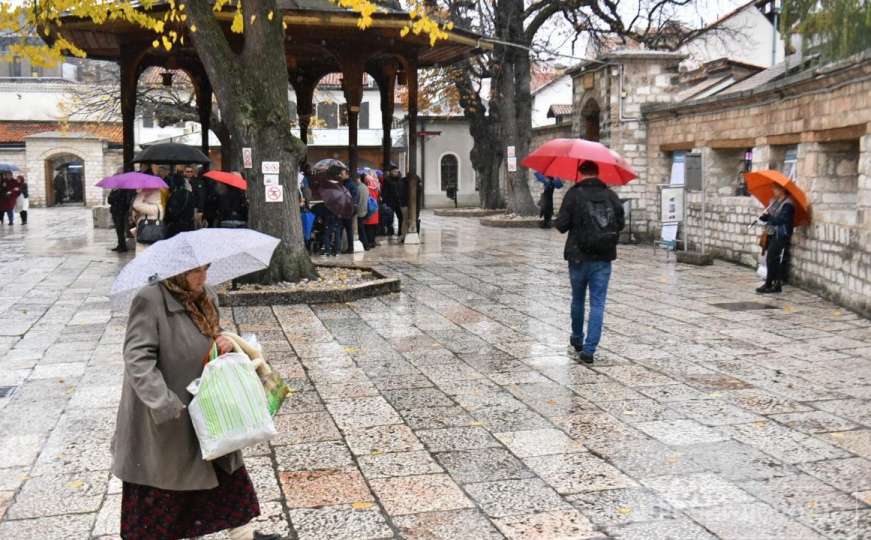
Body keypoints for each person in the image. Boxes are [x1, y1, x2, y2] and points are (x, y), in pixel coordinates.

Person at [112, 265, 279, 540]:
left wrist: (223, 338)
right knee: (164, 489)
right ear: (176, 272)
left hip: (208, 405)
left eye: (206, 269)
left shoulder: (205, 294)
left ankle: (242, 535)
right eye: (195, 272)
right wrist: (165, 403)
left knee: (225, 474)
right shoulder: (150, 299)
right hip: (168, 417)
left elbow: (211, 332)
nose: (203, 277)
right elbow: (137, 359)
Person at [555, 160, 625, 364]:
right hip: (603, 257)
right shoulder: (610, 195)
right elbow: (620, 223)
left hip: (577, 257)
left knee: (577, 299)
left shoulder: (573, 194)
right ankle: (589, 350)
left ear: (580, 172)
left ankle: (577, 338)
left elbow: (561, 225)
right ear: (597, 173)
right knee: (598, 303)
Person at [756, 184, 795, 294]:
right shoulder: (775, 201)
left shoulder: (788, 204)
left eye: (775, 189)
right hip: (772, 233)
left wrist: (769, 216)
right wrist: (764, 216)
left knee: (772, 258)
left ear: (782, 190)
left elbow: (781, 220)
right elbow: (771, 217)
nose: (773, 191)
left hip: (782, 234)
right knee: (773, 259)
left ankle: (770, 284)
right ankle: (775, 284)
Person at [164, 171, 197, 239]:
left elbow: (170, 213)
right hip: (189, 227)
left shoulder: (174, 196)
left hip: (176, 228)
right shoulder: (190, 194)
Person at [131, 188, 164, 253]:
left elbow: (136, 204)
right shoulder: (160, 206)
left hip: (145, 240)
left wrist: (142, 192)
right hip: (151, 238)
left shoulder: (153, 207)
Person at [382, 165, 404, 236]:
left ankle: (400, 232)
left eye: (397, 171)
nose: (396, 173)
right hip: (390, 202)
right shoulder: (387, 180)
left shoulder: (400, 179)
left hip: (399, 202)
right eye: (394, 171)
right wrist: (384, 201)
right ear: (391, 172)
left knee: (400, 217)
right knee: (389, 218)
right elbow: (384, 191)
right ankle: (390, 231)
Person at [363, 174, 380, 249]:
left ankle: (369, 242)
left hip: (369, 210)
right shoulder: (376, 188)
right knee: (373, 227)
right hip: (375, 210)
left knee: (369, 227)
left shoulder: (367, 189)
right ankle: (372, 242)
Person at [355, 174, 371, 250]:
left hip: (359, 212)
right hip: (365, 210)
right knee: (362, 229)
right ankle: (366, 244)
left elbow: (358, 201)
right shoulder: (365, 187)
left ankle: (365, 245)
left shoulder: (358, 188)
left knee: (361, 230)